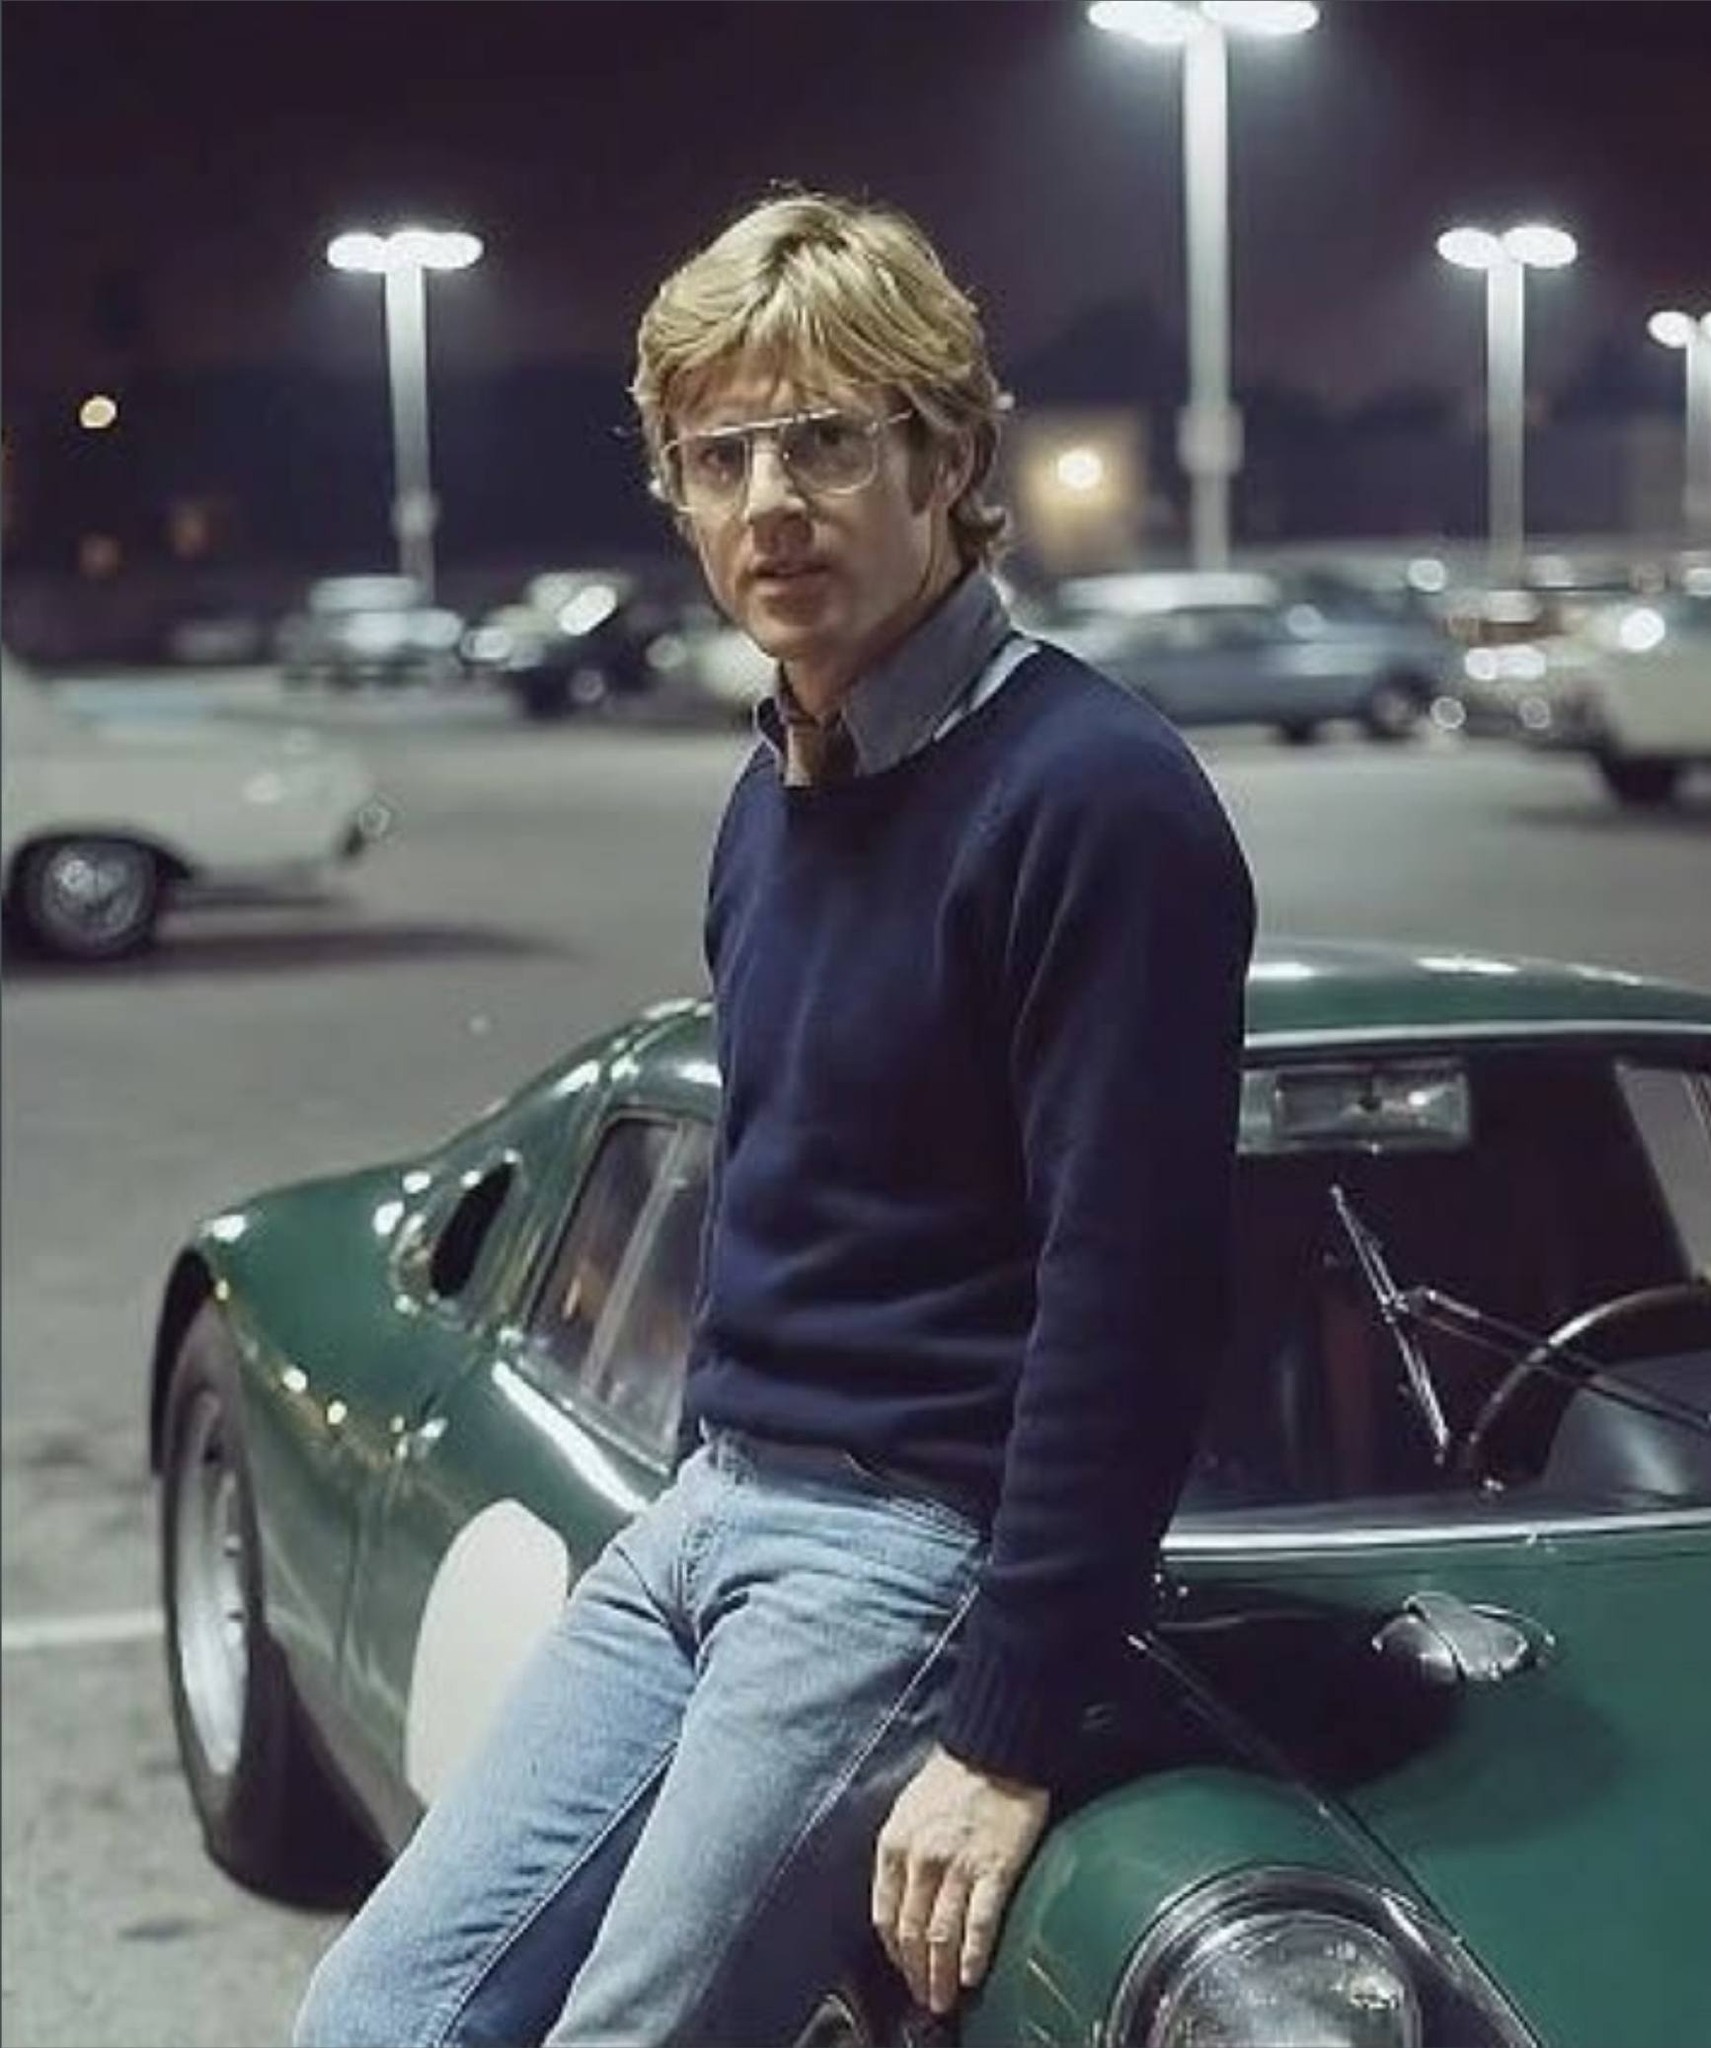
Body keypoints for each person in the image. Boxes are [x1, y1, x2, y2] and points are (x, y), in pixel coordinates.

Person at [294, 188, 1255, 2048]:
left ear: (947, 458)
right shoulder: (773, 795)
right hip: (711, 1506)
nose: (768, 504)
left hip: (904, 1552)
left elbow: (1133, 1296)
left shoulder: (1093, 798)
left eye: (824, 440)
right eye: (716, 456)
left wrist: (1004, 1731)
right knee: (377, 2017)